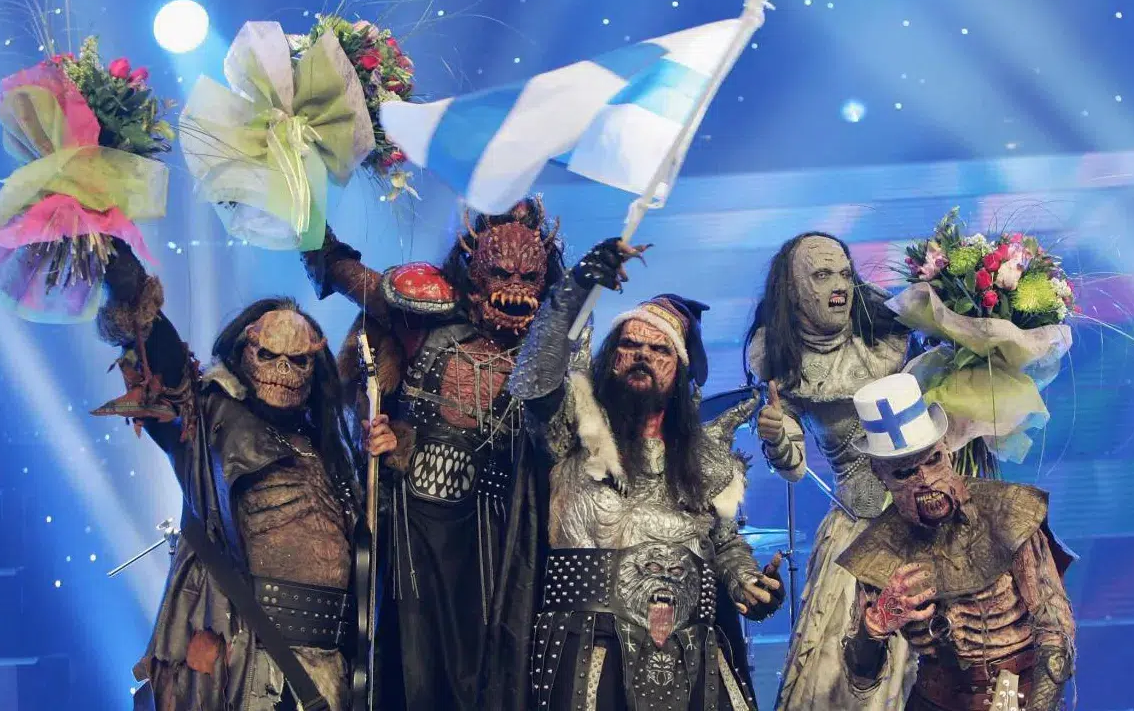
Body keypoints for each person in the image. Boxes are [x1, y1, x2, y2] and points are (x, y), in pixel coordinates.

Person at [92, 240, 396, 711]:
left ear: (314, 368)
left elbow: (375, 551)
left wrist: (386, 464)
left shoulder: (331, 449)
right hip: (247, 667)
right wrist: (125, 277)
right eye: (269, 355)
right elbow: (164, 366)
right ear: (245, 351)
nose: (283, 370)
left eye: (298, 360)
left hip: (329, 672)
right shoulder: (209, 424)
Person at [300, 196, 565, 710]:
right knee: (408, 665)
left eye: (527, 277)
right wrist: (299, 200)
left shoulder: (549, 352)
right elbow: (340, 270)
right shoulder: (421, 310)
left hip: (499, 533)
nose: (513, 290)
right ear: (474, 270)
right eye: (501, 273)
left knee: (492, 675)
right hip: (413, 523)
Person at [508, 238, 785, 710]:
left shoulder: (705, 458)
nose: (642, 356)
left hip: (690, 652)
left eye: (659, 350)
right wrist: (578, 284)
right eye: (629, 345)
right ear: (611, 357)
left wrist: (749, 583)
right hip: (589, 645)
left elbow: (723, 543)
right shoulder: (573, 430)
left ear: (678, 371)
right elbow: (533, 378)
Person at [742, 232, 917, 710]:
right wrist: (777, 435)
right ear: (794, 289)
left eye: (844, 273)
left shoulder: (893, 330)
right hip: (860, 533)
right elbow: (794, 466)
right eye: (822, 275)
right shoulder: (783, 362)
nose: (839, 285)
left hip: (930, 525)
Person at [837, 373, 1076, 711]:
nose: (925, 480)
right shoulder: (876, 550)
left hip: (1016, 699)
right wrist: (873, 629)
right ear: (880, 474)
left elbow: (1055, 634)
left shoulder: (1008, 512)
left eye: (932, 460)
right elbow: (861, 673)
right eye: (904, 472)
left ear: (947, 450)